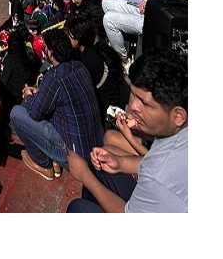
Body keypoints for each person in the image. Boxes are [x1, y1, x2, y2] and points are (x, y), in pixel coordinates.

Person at [66, 50, 187, 213]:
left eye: (144, 103)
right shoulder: (176, 135)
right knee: (104, 163)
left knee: (78, 207)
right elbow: (153, 161)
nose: (132, 107)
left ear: (178, 116)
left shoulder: (157, 176)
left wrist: (84, 175)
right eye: (133, 94)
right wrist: (120, 164)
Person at [9, 29, 104, 181]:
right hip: (94, 144)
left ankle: (43, 164)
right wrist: (39, 92)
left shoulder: (54, 78)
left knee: (17, 113)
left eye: (45, 48)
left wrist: (28, 95)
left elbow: (35, 113)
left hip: (76, 158)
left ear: (51, 53)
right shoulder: (79, 66)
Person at [65, 14, 125, 113]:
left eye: (70, 36)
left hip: (106, 107)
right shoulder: (94, 50)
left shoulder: (88, 61)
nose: (67, 38)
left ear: (79, 38)